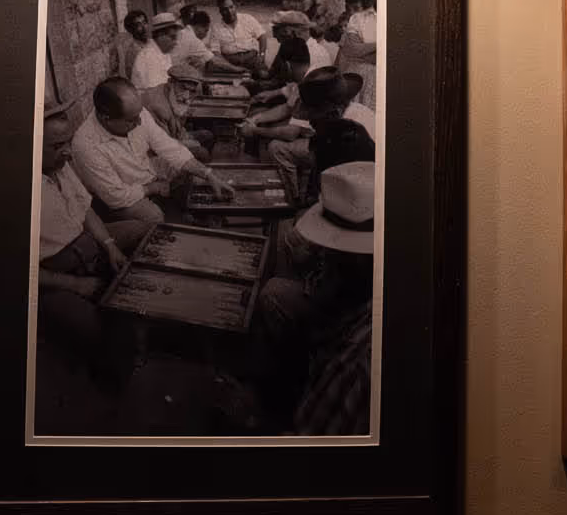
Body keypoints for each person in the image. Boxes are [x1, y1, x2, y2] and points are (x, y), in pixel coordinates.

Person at [257, 161, 376, 436]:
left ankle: (283, 388)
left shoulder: (358, 362)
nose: (326, 254)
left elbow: (306, 444)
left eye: (334, 252)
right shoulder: (359, 283)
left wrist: (256, 425)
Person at [37, 101, 149, 361]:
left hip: (85, 246)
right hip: (51, 276)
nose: (68, 153)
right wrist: (76, 284)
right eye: (56, 146)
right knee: (99, 330)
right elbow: (16, 271)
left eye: (68, 142)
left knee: (143, 231)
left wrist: (109, 245)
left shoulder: (60, 166)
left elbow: (86, 210)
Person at [71, 77, 234, 225]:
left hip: (146, 172)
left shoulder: (135, 112)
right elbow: (116, 197)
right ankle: (171, 217)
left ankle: (184, 210)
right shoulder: (85, 144)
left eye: (139, 114)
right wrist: (152, 188)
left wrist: (208, 174)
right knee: (153, 216)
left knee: (193, 161)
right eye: (131, 120)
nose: (140, 121)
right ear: (106, 118)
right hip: (120, 196)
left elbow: (168, 146)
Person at [266, 66, 375, 204]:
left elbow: (329, 194)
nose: (311, 123)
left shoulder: (344, 134)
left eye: (314, 119)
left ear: (333, 112)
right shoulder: (341, 120)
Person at [142, 62, 214, 155]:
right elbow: (163, 145)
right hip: (153, 151)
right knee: (201, 153)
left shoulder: (170, 94)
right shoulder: (157, 106)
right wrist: (192, 144)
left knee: (207, 135)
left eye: (191, 91)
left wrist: (186, 138)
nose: (186, 96)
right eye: (183, 88)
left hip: (171, 138)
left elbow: (178, 129)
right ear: (170, 82)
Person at [172, 9, 244, 77]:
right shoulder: (194, 41)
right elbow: (216, 61)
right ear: (198, 26)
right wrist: (236, 69)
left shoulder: (182, 32)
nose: (206, 35)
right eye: (206, 30)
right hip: (175, 72)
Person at [336, 0, 378, 110]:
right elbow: (346, 54)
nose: (353, 14)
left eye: (356, 9)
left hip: (368, 77)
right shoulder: (348, 32)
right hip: (349, 73)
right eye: (349, 10)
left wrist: (358, 52)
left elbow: (375, 59)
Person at [209, 0, 267, 73]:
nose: (229, 12)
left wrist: (262, 55)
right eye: (225, 9)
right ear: (220, 11)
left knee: (264, 74)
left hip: (251, 58)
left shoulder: (247, 18)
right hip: (230, 61)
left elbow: (262, 36)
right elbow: (215, 51)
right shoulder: (216, 27)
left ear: (235, 7)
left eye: (231, 7)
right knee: (211, 68)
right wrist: (231, 67)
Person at [131, 12, 181, 91]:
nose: (176, 42)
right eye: (172, 37)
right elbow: (157, 94)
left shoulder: (163, 52)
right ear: (161, 35)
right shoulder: (149, 56)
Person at [116, 9, 150, 80]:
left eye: (144, 22)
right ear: (131, 30)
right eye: (138, 25)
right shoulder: (133, 52)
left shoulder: (151, 43)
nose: (144, 28)